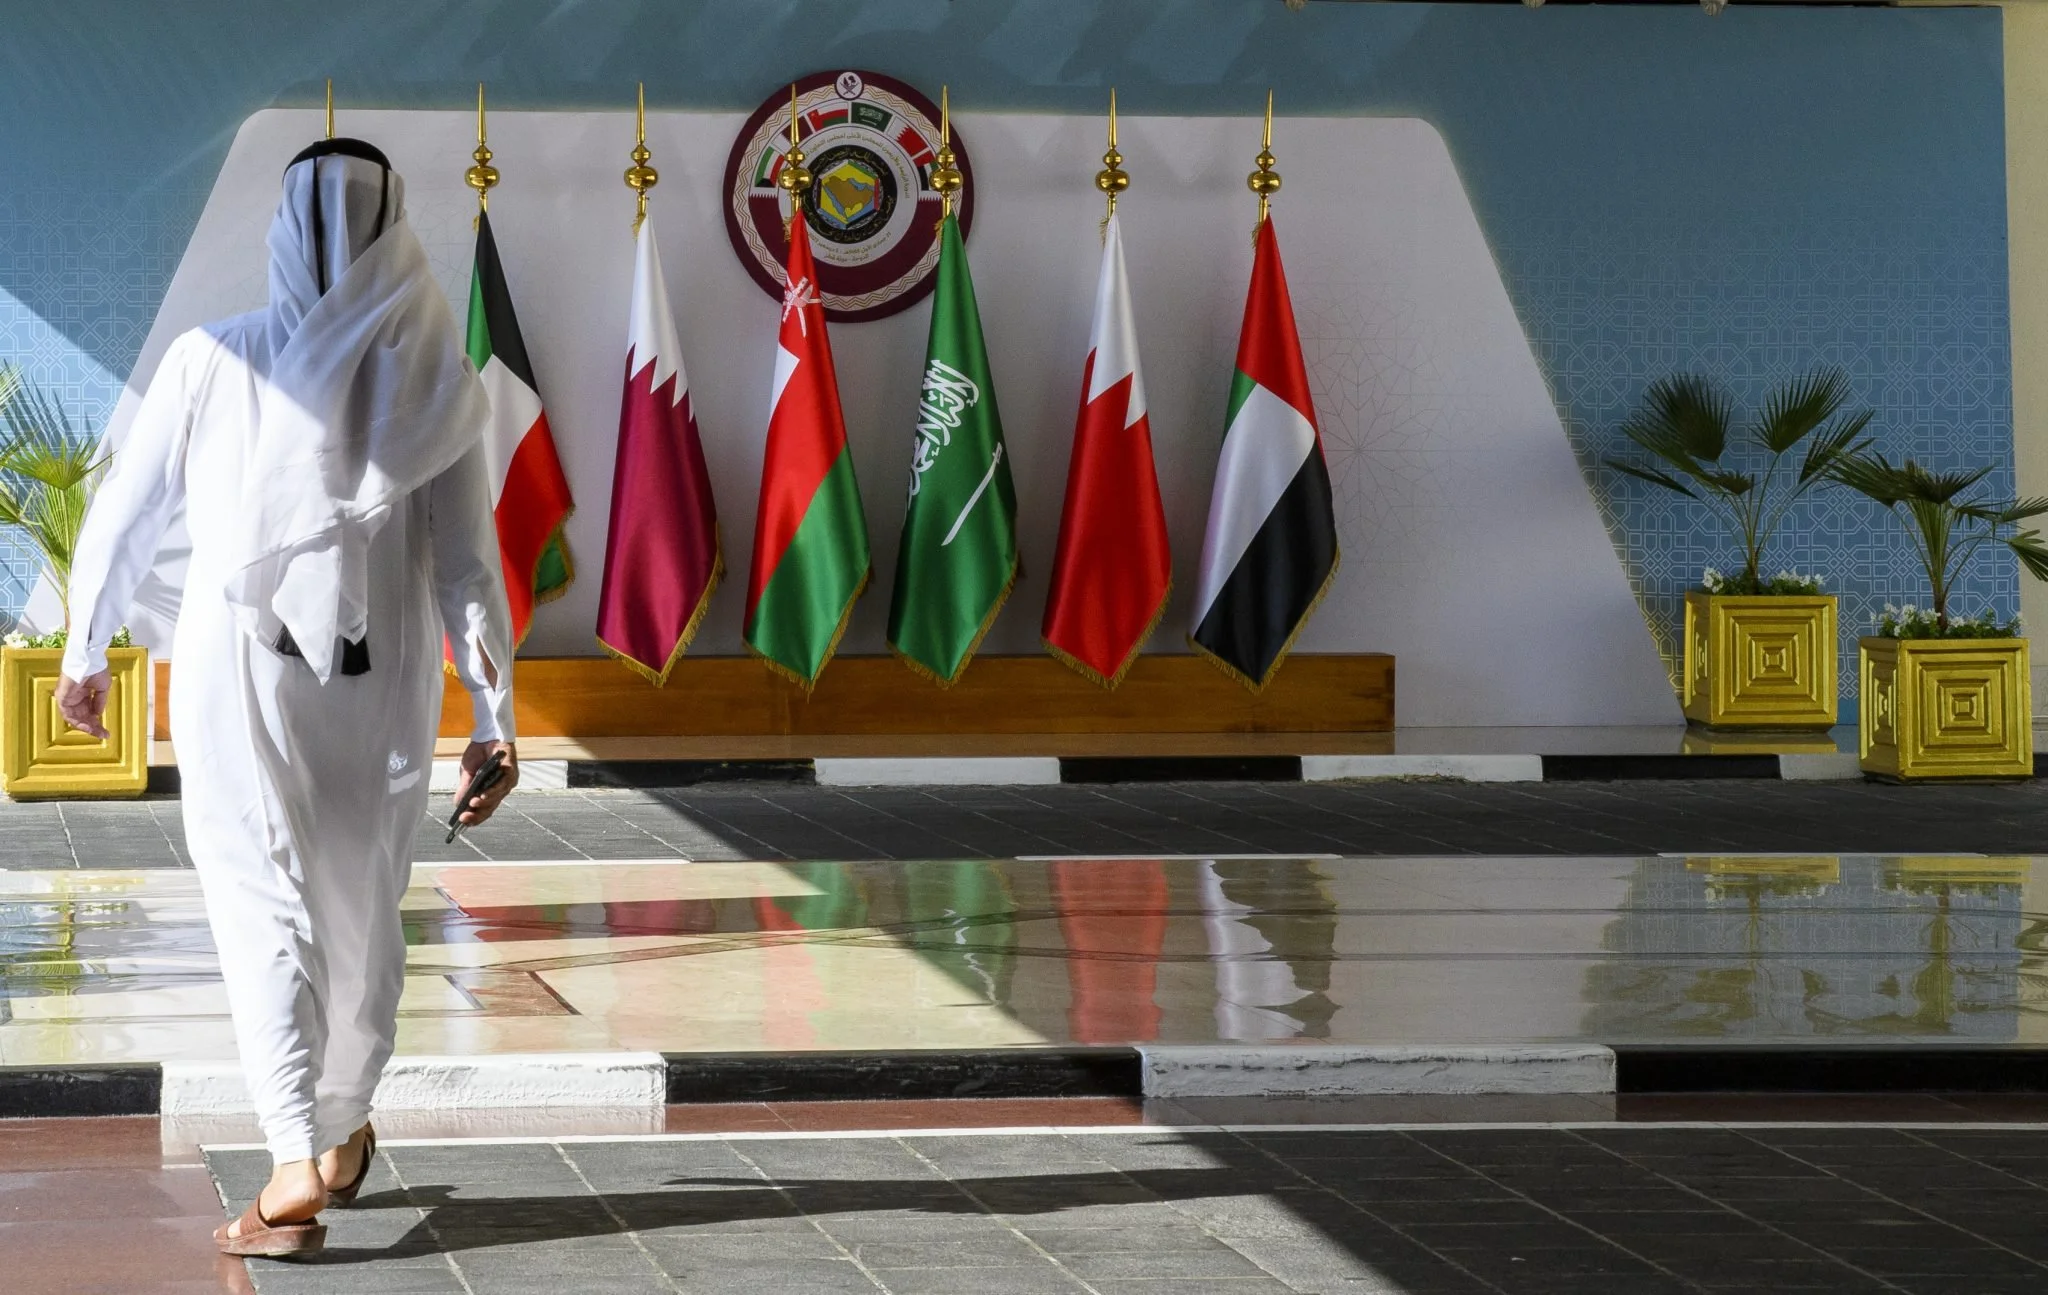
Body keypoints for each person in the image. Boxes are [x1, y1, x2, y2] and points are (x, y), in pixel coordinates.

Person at [54, 138, 520, 1258]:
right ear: (395, 231)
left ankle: (296, 1150)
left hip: (233, 666)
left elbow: (125, 514)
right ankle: (339, 1120)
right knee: (362, 902)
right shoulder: (438, 382)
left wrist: (83, 651)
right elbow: (467, 564)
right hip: (384, 678)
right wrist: (494, 712)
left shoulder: (213, 355)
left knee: (260, 897)